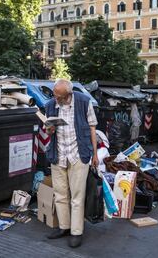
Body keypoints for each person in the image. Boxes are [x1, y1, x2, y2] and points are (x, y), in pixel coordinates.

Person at [44, 79, 98, 248]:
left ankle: (76, 232)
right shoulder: (51, 105)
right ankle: (64, 227)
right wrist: (49, 129)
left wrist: (95, 154)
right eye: (54, 95)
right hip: (58, 155)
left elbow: (92, 128)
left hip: (78, 154)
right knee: (60, 194)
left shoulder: (83, 102)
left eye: (58, 96)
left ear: (68, 95)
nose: (55, 98)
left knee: (77, 197)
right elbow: (49, 131)